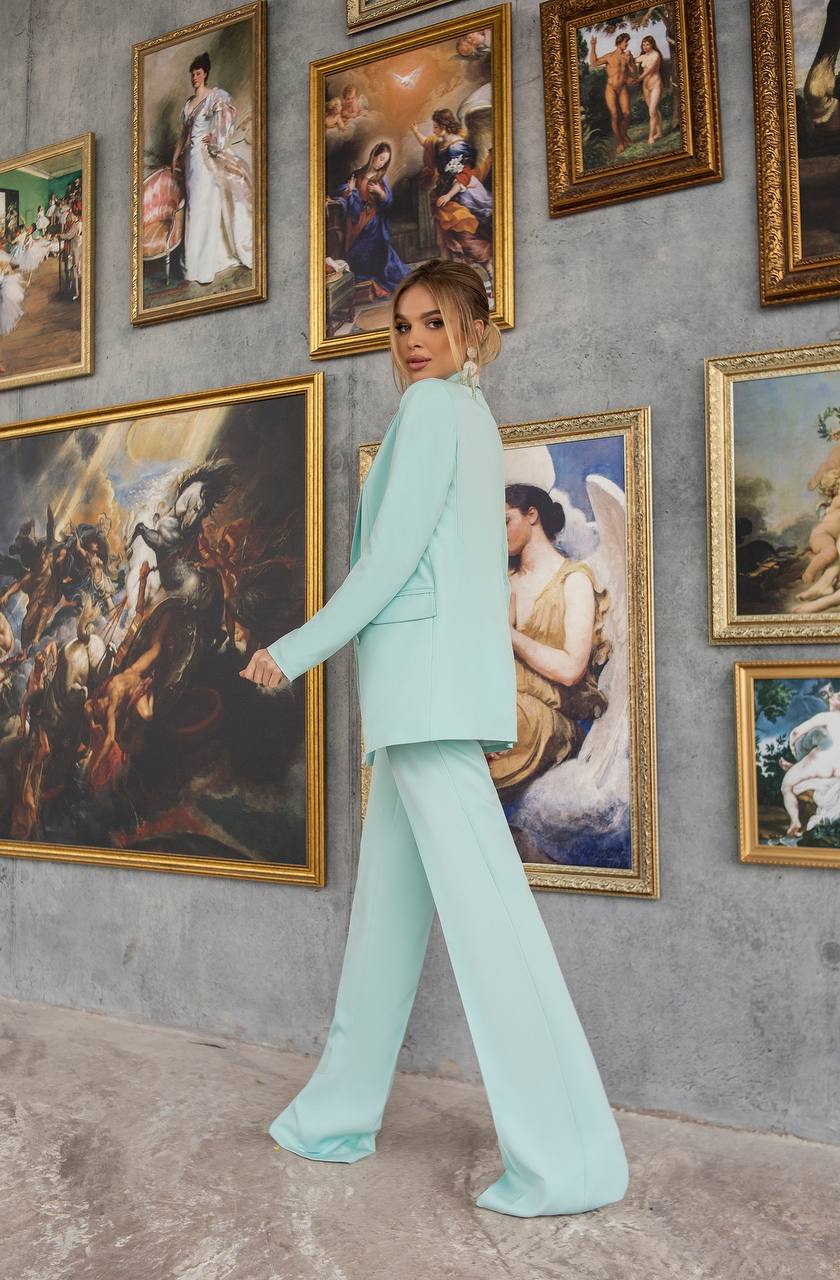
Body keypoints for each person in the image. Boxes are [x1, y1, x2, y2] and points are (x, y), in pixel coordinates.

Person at [240, 258, 629, 1218]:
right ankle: (332, 1116)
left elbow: (385, 566)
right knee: (385, 927)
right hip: (432, 697)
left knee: (494, 927)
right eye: (401, 324)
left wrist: (292, 652)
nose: (411, 339)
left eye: (432, 322)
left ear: (470, 332)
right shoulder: (470, 418)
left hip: (423, 699)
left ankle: (566, 1161)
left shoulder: (429, 416)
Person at [486, 484, 611, 793]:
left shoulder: (574, 581)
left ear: (532, 515)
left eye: (504, 521)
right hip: (500, 707)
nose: (497, 533)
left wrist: (511, 636)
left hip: (548, 718)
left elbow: (570, 670)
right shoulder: (502, 582)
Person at [170, 51, 253, 285]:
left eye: (198, 73)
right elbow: (183, 135)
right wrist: (175, 158)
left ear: (205, 74)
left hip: (205, 159)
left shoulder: (214, 96)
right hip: (190, 160)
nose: (194, 78)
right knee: (194, 208)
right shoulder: (188, 104)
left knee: (203, 207)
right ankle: (193, 265)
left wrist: (214, 138)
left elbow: (226, 122)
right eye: (192, 74)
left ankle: (204, 266)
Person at [331, 142, 410, 297]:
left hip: (374, 221)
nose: (381, 163)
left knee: (380, 251)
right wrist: (351, 190)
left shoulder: (382, 178)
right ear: (373, 155)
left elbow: (389, 202)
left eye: (385, 161)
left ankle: (383, 278)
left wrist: (380, 192)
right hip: (355, 219)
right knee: (355, 255)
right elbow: (340, 191)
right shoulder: (357, 174)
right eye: (380, 158)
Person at [589, 31, 638, 155]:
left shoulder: (627, 56)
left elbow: (633, 71)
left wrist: (631, 60)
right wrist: (593, 46)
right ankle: (620, 142)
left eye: (628, 42)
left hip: (622, 88)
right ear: (619, 42)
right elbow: (594, 63)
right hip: (610, 88)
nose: (627, 44)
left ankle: (624, 135)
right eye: (625, 42)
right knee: (615, 116)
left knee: (627, 114)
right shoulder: (610, 56)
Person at [635, 34, 667, 145]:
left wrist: (638, 78)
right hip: (646, 87)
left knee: (652, 111)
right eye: (643, 44)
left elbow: (650, 70)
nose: (645, 46)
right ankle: (659, 133)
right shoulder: (643, 56)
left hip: (656, 85)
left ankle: (651, 137)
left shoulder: (656, 55)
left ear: (652, 44)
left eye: (647, 44)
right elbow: (632, 61)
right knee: (653, 111)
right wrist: (627, 57)